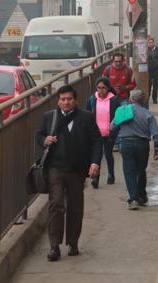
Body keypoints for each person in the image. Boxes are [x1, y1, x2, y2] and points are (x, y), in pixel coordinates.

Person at [35, 84, 103, 261]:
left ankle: (73, 242)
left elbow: (96, 141)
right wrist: (45, 140)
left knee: (75, 207)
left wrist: (95, 163)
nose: (66, 102)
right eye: (63, 99)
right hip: (55, 168)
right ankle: (54, 246)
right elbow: (39, 135)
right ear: (58, 101)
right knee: (56, 205)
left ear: (75, 100)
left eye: (69, 99)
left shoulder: (86, 118)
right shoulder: (49, 117)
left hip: (77, 170)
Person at [112, 90, 158, 210]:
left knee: (129, 171)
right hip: (142, 144)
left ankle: (133, 198)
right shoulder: (147, 114)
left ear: (130, 99)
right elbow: (156, 133)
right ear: (143, 101)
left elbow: (112, 126)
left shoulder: (123, 110)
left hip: (126, 143)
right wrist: (157, 148)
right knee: (141, 170)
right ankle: (141, 196)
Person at [86, 77, 121, 188]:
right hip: (95, 133)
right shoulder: (92, 100)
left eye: (103, 88)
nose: (101, 90)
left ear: (108, 88)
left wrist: (114, 128)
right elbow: (87, 115)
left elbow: (118, 116)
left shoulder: (114, 100)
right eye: (99, 88)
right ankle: (96, 177)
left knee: (108, 153)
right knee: (97, 155)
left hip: (109, 132)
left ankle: (111, 174)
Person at [146, 38, 158, 104]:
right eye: (149, 42)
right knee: (148, 85)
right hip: (148, 69)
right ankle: (147, 98)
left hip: (156, 69)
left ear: (154, 43)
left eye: (152, 42)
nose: (150, 44)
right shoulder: (146, 50)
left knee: (155, 84)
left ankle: (154, 99)